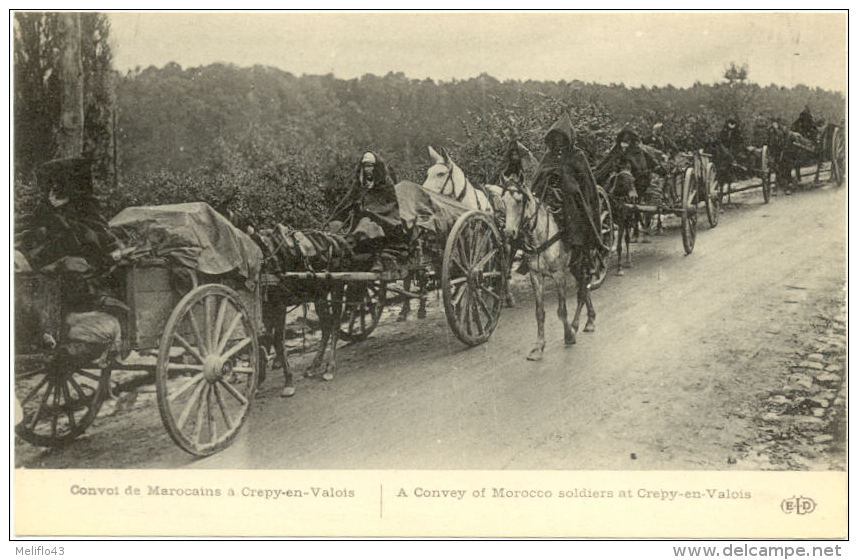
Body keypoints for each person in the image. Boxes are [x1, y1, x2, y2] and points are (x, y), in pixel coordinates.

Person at [531, 113, 602, 257]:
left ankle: (577, 241)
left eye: (561, 138)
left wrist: (567, 180)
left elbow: (585, 180)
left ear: (567, 138)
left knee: (574, 207)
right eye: (555, 138)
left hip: (570, 193)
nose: (558, 141)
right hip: (547, 190)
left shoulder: (577, 155)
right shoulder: (548, 155)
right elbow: (539, 174)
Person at [713, 117, 746, 185]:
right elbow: (720, 141)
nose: (731, 125)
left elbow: (740, 142)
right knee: (724, 159)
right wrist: (724, 150)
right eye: (730, 124)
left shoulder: (737, 132)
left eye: (733, 124)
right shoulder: (723, 132)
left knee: (733, 159)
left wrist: (736, 150)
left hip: (734, 149)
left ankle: (733, 176)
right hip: (725, 150)